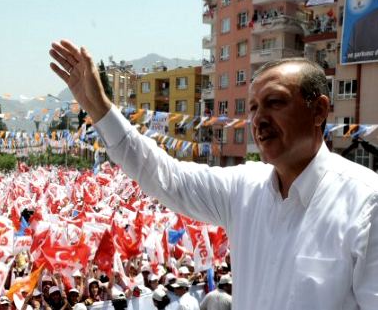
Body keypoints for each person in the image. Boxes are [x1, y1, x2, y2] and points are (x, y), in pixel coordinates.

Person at [49, 41, 378, 309]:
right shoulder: (243, 188)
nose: (259, 119)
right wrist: (100, 109)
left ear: (318, 110)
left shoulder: (367, 203)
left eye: (275, 102)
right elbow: (164, 176)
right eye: (252, 108)